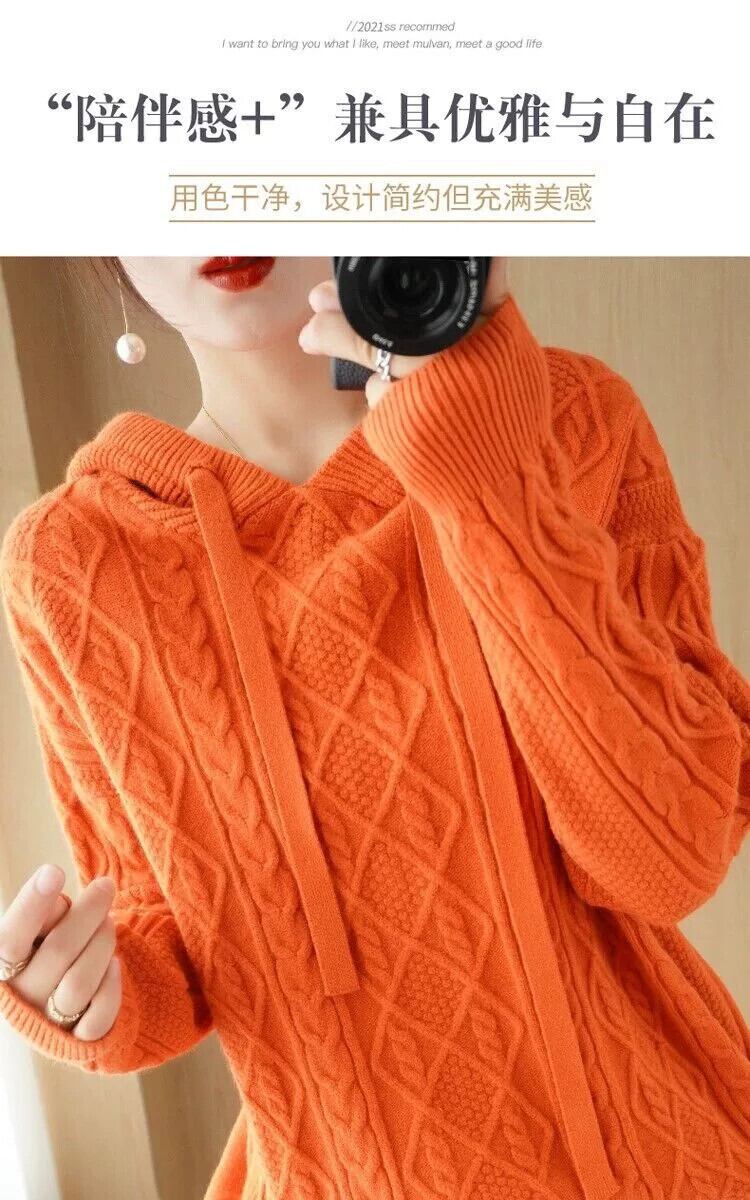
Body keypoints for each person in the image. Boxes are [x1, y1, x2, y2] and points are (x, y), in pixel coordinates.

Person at [0, 256, 748, 1200]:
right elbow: (166, 935)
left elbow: (668, 858)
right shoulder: (71, 563)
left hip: (664, 1163)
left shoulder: (567, 418)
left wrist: (483, 476)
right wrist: (85, 995)